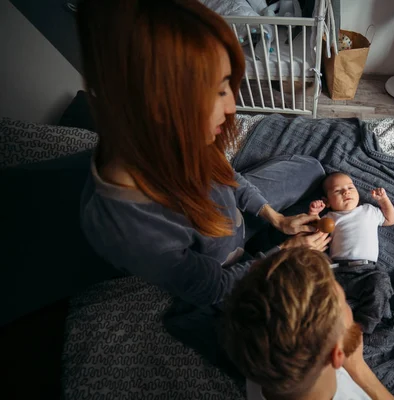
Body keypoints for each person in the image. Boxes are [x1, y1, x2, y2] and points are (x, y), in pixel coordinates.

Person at [76, 0, 330, 368]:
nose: (232, 109)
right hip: (223, 267)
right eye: (219, 91)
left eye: (229, 87)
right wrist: (287, 254)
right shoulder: (131, 228)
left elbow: (228, 178)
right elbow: (219, 289)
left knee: (311, 167)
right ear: (161, 105)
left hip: (234, 224)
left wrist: (276, 219)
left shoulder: (169, 140)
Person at [222, 248, 394, 400]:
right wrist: (360, 370)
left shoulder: (256, 351)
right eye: (343, 303)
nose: (349, 307)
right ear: (337, 356)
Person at [308, 172, 394, 333]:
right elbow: (316, 233)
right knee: (317, 289)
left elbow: (390, 220)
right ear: (327, 201)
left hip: (367, 272)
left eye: (350, 187)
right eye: (337, 191)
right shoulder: (330, 218)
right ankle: (324, 325)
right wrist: (314, 214)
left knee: (381, 283)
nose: (346, 192)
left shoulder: (368, 210)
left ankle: (363, 326)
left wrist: (383, 200)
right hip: (337, 271)